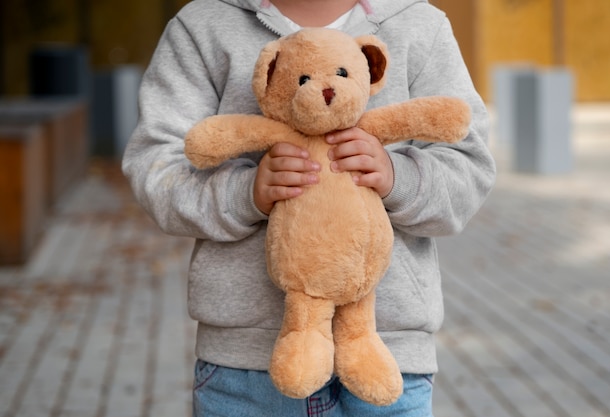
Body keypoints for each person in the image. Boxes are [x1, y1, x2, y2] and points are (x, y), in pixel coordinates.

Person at [122, 0, 496, 415]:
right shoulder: (204, 25)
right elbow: (155, 168)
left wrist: (395, 177)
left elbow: (469, 167)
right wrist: (246, 193)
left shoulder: (419, 25)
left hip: (390, 360)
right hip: (244, 370)